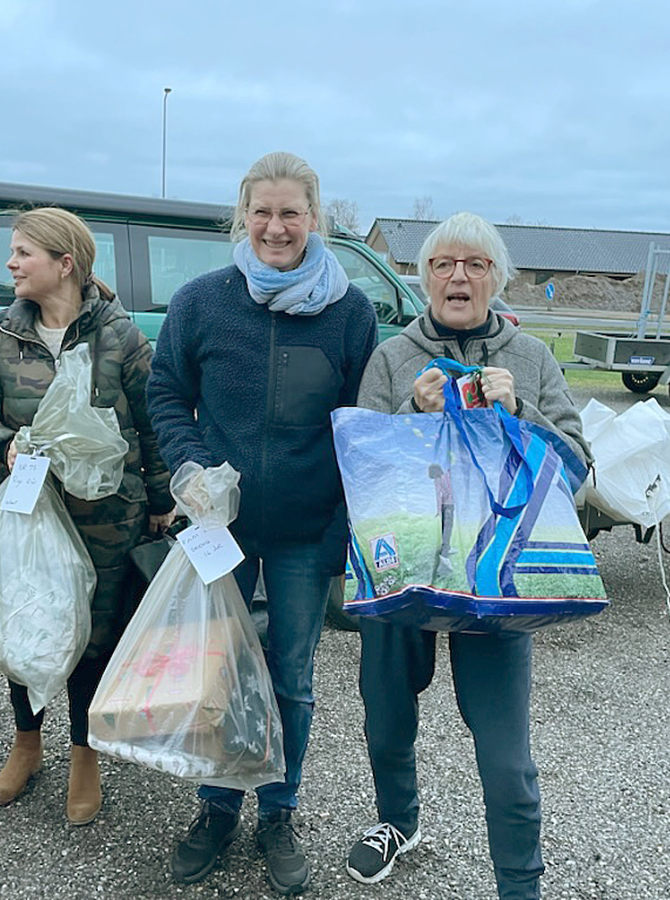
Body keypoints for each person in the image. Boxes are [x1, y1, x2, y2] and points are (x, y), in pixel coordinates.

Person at [148, 151, 379, 895]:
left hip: (305, 535)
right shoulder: (201, 303)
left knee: (292, 677)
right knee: (216, 668)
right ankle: (216, 807)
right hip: (223, 532)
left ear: (316, 220)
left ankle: (278, 809)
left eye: (291, 213)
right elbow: (164, 393)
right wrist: (187, 467)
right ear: (241, 217)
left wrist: (343, 526)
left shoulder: (351, 314)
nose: (276, 227)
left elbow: (359, 427)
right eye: (263, 212)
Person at [346, 211, 590, 899]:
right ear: (423, 278)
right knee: (386, 718)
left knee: (506, 754)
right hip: (404, 574)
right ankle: (399, 822)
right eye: (444, 264)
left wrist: (520, 416)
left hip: (498, 582)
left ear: (496, 278)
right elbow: (361, 469)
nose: (459, 276)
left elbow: (574, 470)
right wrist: (410, 415)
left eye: (476, 264)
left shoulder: (532, 358)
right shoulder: (393, 357)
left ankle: (520, 884)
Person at [0, 206, 173, 826]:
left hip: (106, 518)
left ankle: (84, 751)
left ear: (65, 264)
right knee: (25, 623)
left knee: (90, 635)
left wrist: (160, 501)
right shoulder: (4, 339)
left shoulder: (121, 338)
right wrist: (4, 445)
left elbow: (155, 422)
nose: (11, 264)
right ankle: (28, 742)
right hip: (28, 516)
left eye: (23, 252)